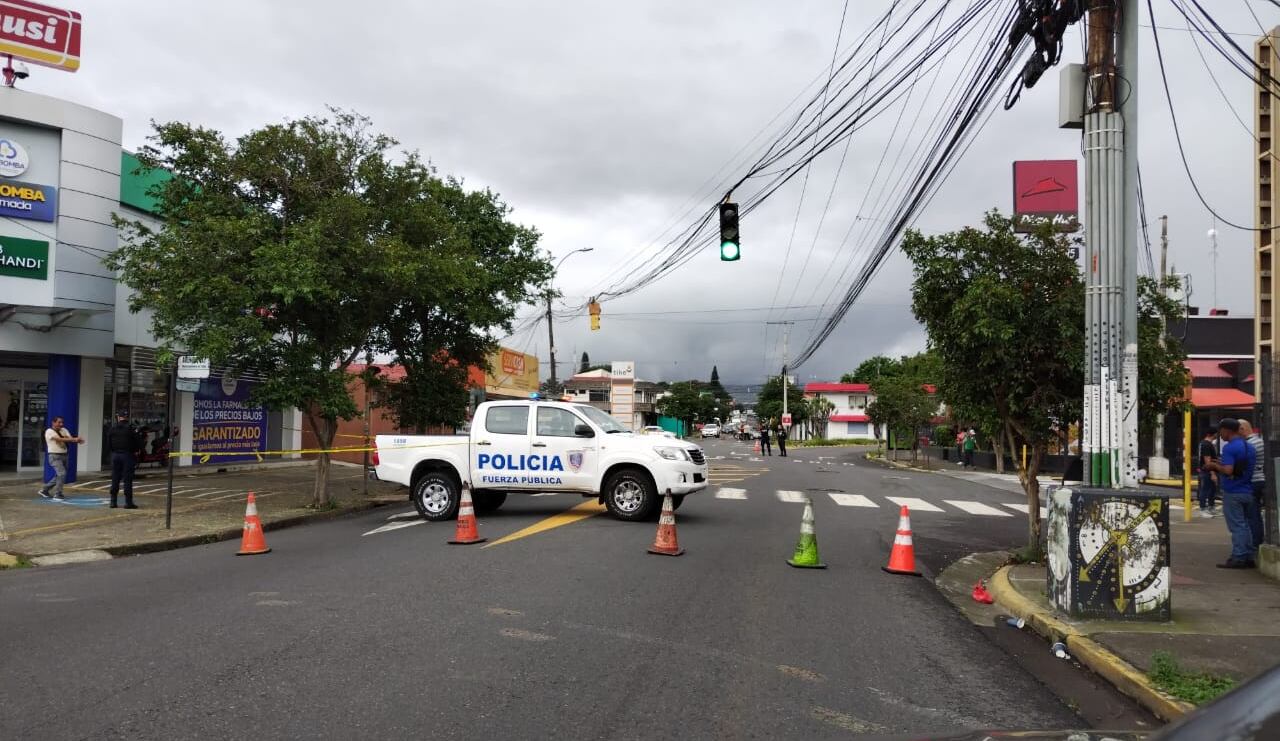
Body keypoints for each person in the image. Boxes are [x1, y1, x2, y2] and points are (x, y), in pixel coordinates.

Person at [1205, 418, 1260, 569]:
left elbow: (1228, 470)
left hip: (1233, 491)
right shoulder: (1250, 447)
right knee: (1247, 525)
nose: (1219, 434)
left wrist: (1214, 465)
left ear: (1227, 431)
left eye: (1220, 430)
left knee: (1237, 526)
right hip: (1248, 490)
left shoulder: (1230, 448)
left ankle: (1239, 556)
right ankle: (1248, 555)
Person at [38, 416, 84, 501]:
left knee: (60, 475)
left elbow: (69, 439)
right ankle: (58, 494)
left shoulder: (64, 430)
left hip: (64, 455)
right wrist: (72, 439)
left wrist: (77, 440)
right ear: (53, 422)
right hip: (54, 456)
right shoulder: (49, 431)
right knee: (62, 474)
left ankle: (45, 490)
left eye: (62, 422)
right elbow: (58, 439)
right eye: (59, 422)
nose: (61, 424)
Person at [1240, 419, 1267, 553]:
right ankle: (1258, 539)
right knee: (1257, 513)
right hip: (1262, 478)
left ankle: (1255, 542)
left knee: (1252, 514)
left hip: (1253, 481)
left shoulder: (1249, 445)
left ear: (1242, 429)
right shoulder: (1260, 441)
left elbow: (1242, 463)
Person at [106, 412, 143, 509]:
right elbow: (139, 442)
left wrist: (113, 452)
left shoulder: (112, 428)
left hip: (115, 455)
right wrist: (137, 451)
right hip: (127, 455)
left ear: (118, 418)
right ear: (126, 418)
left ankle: (113, 502)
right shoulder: (131, 428)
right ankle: (128, 502)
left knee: (115, 478)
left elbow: (108, 443)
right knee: (127, 479)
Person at [1196, 428, 1220, 518]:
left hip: (1206, 470)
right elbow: (1207, 460)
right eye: (1216, 434)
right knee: (1205, 490)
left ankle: (1210, 507)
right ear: (1213, 434)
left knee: (1211, 490)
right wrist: (1212, 473)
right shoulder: (1206, 445)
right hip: (1207, 471)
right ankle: (1203, 509)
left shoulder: (1203, 443)